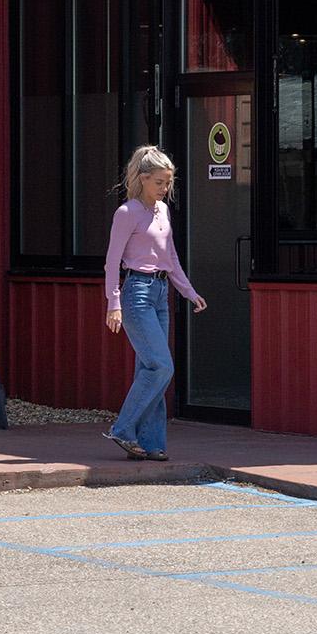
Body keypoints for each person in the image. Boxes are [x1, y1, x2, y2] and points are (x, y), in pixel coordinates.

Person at [102, 145, 206, 461]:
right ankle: (122, 429)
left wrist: (188, 291)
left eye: (168, 182)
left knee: (151, 369)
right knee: (162, 366)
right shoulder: (127, 212)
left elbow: (170, 257)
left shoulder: (163, 211)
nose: (165, 188)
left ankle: (150, 443)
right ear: (143, 178)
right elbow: (112, 261)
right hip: (136, 293)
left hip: (161, 293)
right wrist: (113, 303)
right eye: (160, 182)